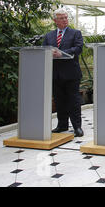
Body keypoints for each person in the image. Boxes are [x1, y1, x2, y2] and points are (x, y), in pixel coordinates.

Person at [42, 8, 84, 137]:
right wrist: (50, 53)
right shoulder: (48, 35)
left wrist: (62, 53)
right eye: (61, 18)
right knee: (59, 101)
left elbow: (78, 48)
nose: (65, 20)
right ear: (55, 20)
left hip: (71, 73)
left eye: (66, 17)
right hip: (55, 74)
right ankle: (62, 125)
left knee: (74, 101)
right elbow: (44, 49)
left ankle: (77, 127)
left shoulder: (75, 33)